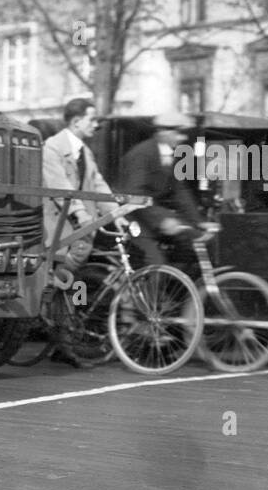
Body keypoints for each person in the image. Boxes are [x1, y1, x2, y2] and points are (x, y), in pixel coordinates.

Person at [40, 98, 113, 366]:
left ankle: (62, 339)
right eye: (92, 119)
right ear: (76, 121)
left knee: (72, 283)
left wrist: (117, 213)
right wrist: (82, 215)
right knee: (64, 283)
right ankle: (63, 343)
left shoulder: (85, 151)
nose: (96, 125)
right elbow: (62, 190)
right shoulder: (52, 149)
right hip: (60, 230)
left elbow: (97, 184)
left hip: (80, 232)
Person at [116, 111, 213, 269]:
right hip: (133, 218)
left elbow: (179, 191)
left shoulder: (170, 154)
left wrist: (199, 222)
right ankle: (147, 292)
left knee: (196, 244)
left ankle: (186, 291)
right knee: (156, 264)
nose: (183, 138)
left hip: (151, 215)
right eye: (179, 133)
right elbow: (134, 194)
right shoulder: (142, 154)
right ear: (163, 132)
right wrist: (162, 220)